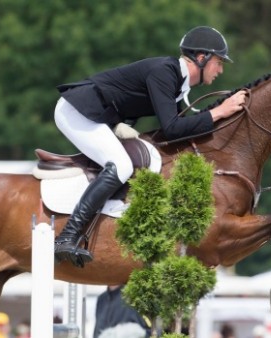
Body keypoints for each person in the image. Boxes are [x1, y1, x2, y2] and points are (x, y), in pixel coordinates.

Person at [53, 26, 248, 267]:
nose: (220, 70)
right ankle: (67, 236)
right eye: (219, 62)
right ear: (201, 58)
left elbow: (181, 131)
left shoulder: (179, 83)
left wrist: (223, 115)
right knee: (121, 165)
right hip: (77, 110)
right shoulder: (165, 72)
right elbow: (172, 128)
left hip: (98, 114)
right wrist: (220, 111)